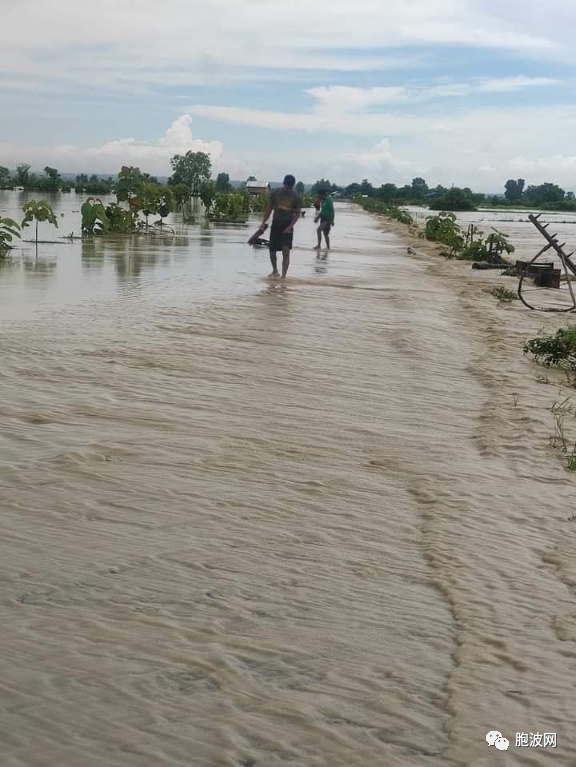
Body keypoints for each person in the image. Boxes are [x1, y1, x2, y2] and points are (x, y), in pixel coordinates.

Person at [260, 175, 302, 278]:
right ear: (284, 184)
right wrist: (263, 223)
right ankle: (275, 270)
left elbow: (297, 214)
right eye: (287, 187)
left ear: (293, 186)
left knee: (286, 251)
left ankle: (283, 276)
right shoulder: (276, 193)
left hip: (287, 227)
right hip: (276, 225)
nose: (288, 189)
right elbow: (269, 208)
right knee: (272, 250)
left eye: (290, 187)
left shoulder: (296, 197)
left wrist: (290, 227)